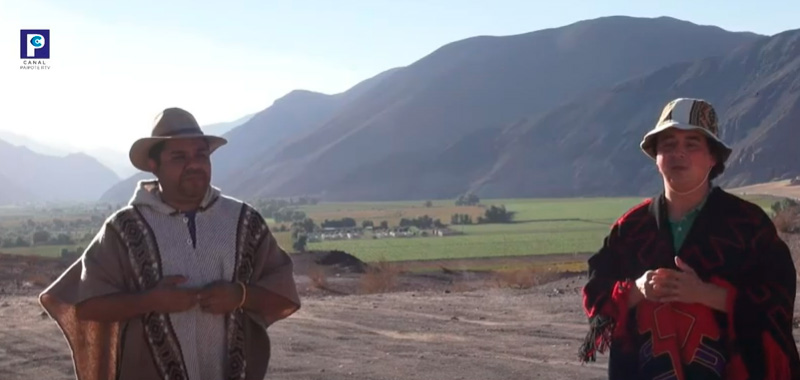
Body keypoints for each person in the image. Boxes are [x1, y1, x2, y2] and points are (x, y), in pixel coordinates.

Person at [39, 107, 301, 380]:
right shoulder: (123, 229)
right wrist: (149, 300)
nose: (194, 164)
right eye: (179, 157)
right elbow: (86, 307)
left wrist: (241, 295)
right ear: (155, 165)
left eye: (201, 154)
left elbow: (284, 294)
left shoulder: (245, 222)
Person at [578, 98, 800, 379]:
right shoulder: (629, 229)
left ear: (713, 157)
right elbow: (597, 292)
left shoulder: (749, 225)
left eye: (692, 144)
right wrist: (636, 289)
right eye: (668, 145)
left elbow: (778, 299)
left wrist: (706, 294)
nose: (678, 153)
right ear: (656, 157)